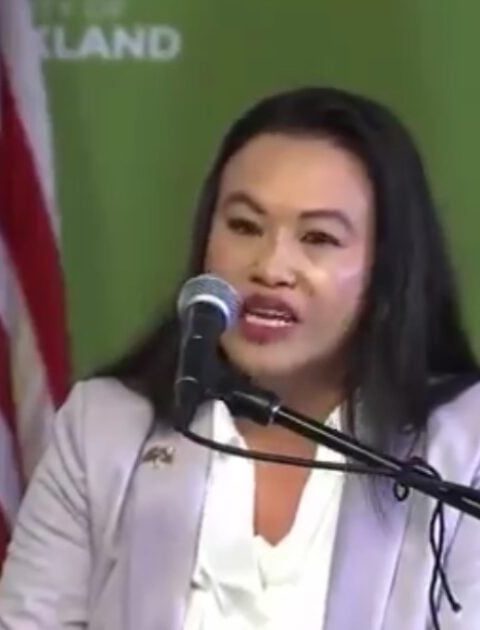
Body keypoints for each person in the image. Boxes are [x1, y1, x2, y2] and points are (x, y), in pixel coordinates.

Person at [0, 86, 480, 630]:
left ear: (388, 270)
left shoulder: (464, 448)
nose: (270, 267)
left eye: (318, 237)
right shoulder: (105, 428)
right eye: (245, 226)